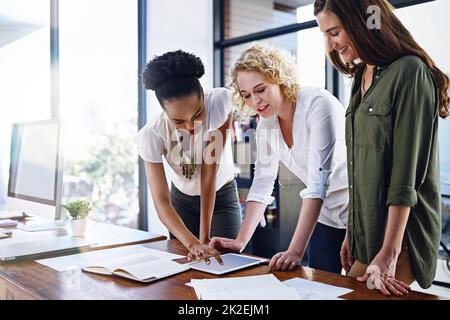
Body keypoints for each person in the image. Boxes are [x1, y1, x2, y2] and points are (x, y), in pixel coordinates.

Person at [314, 0, 449, 296]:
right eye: (324, 34)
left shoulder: (410, 72)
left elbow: (406, 175)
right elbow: (358, 168)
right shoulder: (361, 78)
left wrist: (390, 251)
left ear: (361, 23)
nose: (330, 44)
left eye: (334, 32)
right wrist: (352, 231)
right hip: (367, 230)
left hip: (403, 236)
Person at [210, 42, 349, 274]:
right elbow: (263, 182)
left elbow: (318, 183)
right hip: (324, 216)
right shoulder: (267, 125)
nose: (255, 102)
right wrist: (240, 241)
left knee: (363, 289)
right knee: (323, 286)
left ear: (280, 77)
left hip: (358, 212)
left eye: (260, 89)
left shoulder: (318, 104)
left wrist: (295, 251)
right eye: (246, 95)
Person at [137, 50, 242, 263]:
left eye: (197, 114)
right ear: (164, 112)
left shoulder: (219, 102)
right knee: (187, 266)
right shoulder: (151, 134)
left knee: (227, 263)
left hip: (221, 195)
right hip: (180, 202)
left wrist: (204, 238)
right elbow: (162, 201)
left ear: (203, 95)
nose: (190, 127)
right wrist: (193, 243)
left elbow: (208, 172)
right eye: (178, 121)